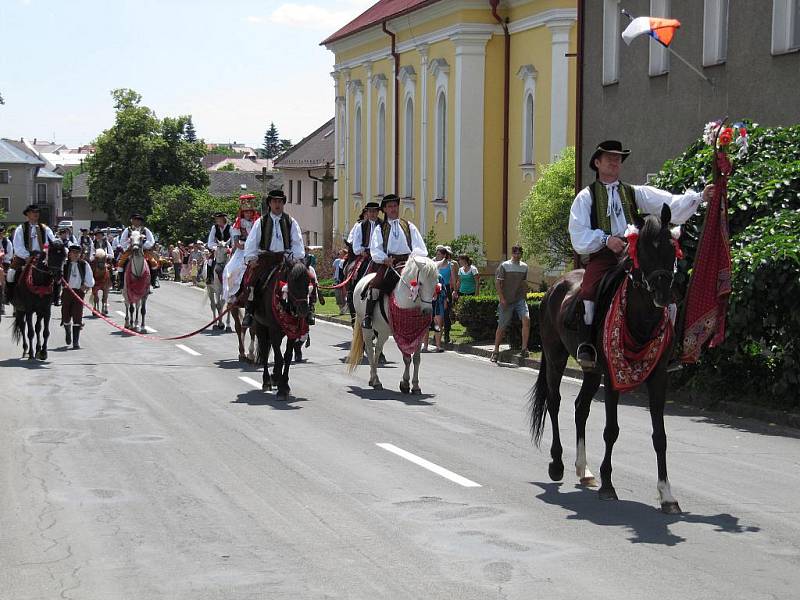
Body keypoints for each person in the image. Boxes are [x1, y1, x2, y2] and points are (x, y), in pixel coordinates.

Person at [569, 140, 715, 368]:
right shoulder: (586, 196)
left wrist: (699, 197)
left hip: (633, 254)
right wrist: (606, 240)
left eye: (618, 158)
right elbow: (578, 232)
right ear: (597, 163)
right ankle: (587, 343)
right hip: (604, 256)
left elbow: (668, 202)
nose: (615, 161)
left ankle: (669, 346)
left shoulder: (633, 191)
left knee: (666, 290)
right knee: (588, 289)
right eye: (609, 158)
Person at [240, 189, 304, 327]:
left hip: (286, 259)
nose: (277, 204)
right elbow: (252, 242)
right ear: (269, 203)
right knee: (251, 280)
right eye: (274, 201)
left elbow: (297, 242)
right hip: (266, 259)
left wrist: (297, 258)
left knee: (306, 278)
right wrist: (251, 258)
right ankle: (249, 312)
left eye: (280, 201)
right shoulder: (261, 222)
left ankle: (307, 310)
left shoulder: (291, 221)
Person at [362, 194, 427, 329]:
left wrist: (413, 257)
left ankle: (428, 318)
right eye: (390, 207)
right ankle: (368, 317)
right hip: (389, 262)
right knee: (375, 286)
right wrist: (384, 259)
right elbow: (375, 249)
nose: (393, 209)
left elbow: (420, 247)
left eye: (395, 206)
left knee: (427, 284)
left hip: (409, 261)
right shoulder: (381, 228)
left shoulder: (409, 226)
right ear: (385, 209)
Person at [7, 205, 56, 305]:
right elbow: (17, 246)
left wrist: (46, 253)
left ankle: (54, 296)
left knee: (55, 272)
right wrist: (26, 256)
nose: (36, 214)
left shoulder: (45, 228)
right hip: (24, 257)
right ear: (28, 214)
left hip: (42, 257)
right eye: (33, 212)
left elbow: (51, 242)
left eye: (37, 212)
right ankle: (10, 296)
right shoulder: (21, 228)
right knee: (11, 273)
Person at [491, 245, 530, 362]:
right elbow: (498, 283)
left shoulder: (524, 267)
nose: (518, 255)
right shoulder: (505, 265)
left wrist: (525, 294)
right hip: (507, 300)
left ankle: (524, 348)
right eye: (515, 253)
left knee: (526, 319)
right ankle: (496, 350)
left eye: (519, 253)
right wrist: (502, 298)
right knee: (502, 326)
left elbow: (523, 282)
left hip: (519, 299)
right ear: (512, 253)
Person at [222, 194, 261, 304]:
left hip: (256, 249)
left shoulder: (257, 223)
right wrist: (243, 245)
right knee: (231, 269)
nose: (248, 214)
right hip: (242, 251)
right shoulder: (238, 224)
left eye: (250, 212)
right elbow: (236, 243)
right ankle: (233, 293)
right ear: (243, 213)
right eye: (246, 212)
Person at [60, 243, 94, 349]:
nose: (75, 255)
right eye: (73, 253)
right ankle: (67, 331)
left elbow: (90, 278)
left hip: (79, 293)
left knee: (77, 315)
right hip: (66, 292)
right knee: (65, 315)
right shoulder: (64, 264)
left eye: (77, 253)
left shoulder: (84, 264)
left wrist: (86, 285)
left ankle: (75, 341)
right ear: (69, 254)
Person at [117, 213, 159, 291]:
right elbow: (122, 241)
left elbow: (151, 241)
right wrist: (129, 243)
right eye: (135, 220)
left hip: (144, 250)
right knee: (120, 263)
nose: (136, 222)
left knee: (154, 263)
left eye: (138, 220)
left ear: (140, 222)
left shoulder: (145, 230)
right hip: (130, 250)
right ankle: (121, 282)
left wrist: (143, 245)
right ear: (132, 221)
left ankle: (153, 281)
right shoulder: (127, 230)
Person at [0, 224, 14, 314]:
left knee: (11, 278)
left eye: (1, 233)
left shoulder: (7, 242)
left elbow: (10, 254)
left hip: (5, 263)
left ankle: (10, 296)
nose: (0, 235)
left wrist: (3, 257)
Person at [332, 248, 348, 314]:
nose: (339, 255)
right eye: (339, 254)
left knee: (344, 295)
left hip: (344, 280)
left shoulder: (346, 261)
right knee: (338, 295)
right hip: (337, 280)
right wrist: (334, 277)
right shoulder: (336, 261)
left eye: (341, 254)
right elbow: (334, 269)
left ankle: (345, 308)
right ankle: (341, 308)